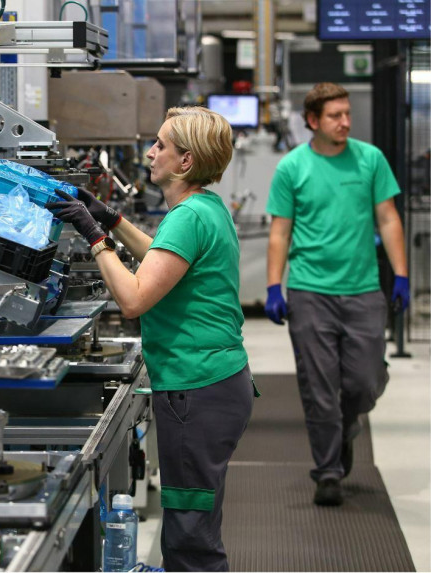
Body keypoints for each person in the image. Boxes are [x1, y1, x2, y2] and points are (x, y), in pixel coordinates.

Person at [49, 107, 254, 572]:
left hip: (197, 389)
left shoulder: (187, 217)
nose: (150, 152)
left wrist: (94, 236)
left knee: (189, 539)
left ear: (185, 162)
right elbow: (164, 257)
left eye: (161, 144)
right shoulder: (204, 207)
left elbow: (135, 298)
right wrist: (113, 220)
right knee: (194, 521)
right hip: (218, 384)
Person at [264, 82, 408, 507]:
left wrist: (400, 274)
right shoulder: (292, 168)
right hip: (311, 291)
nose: (345, 121)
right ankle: (328, 471)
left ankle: (347, 428)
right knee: (319, 388)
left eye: (347, 114)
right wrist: (274, 285)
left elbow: (388, 219)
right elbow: (280, 231)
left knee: (364, 383)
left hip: (363, 290)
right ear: (312, 121)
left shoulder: (370, 159)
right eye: (335, 116)